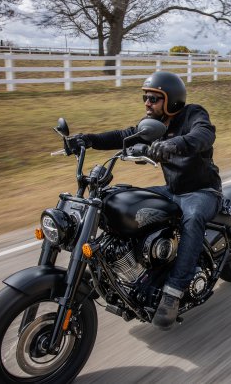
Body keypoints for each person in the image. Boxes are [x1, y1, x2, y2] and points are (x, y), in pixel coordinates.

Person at [67, 71, 222, 330]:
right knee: (116, 201)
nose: (147, 103)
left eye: (153, 98)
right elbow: (124, 135)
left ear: (171, 100)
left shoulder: (194, 114)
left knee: (192, 219)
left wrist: (176, 143)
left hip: (202, 191)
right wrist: (88, 140)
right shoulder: (152, 124)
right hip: (171, 190)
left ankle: (173, 290)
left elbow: (204, 134)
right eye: (145, 98)